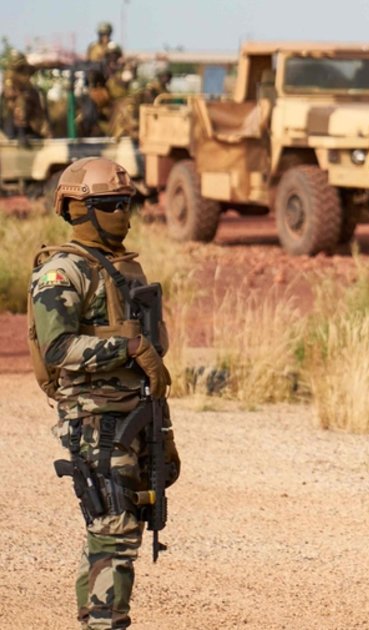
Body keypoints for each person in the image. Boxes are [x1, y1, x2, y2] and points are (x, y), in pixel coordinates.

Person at [28, 157, 180, 629]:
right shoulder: (62, 272)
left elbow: (154, 352)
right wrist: (128, 346)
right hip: (96, 421)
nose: (124, 214)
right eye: (111, 204)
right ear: (77, 209)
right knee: (113, 532)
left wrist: (165, 431)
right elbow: (57, 349)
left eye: (127, 203)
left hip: (137, 416)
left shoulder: (126, 269)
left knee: (120, 531)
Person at [1, 51, 51, 145]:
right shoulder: (9, 89)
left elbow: (40, 115)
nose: (25, 75)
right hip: (10, 133)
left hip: (33, 134)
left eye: (24, 71)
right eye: (20, 71)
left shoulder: (33, 92)